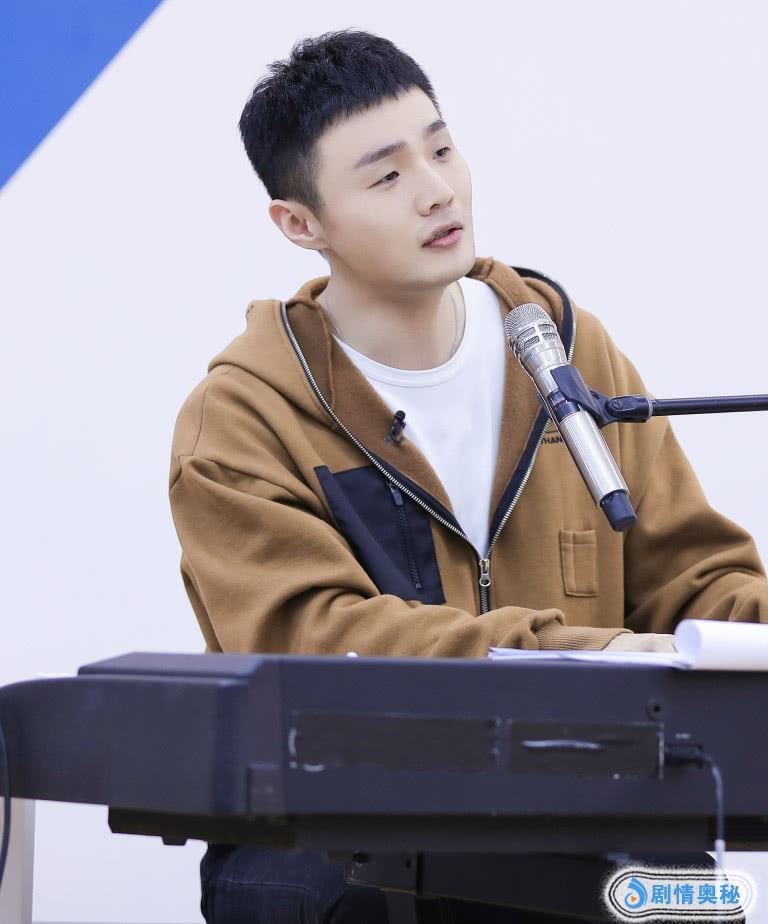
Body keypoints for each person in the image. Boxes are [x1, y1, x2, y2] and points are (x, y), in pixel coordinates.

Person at [168, 28, 763, 923]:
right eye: (385, 177)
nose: (437, 190)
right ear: (301, 224)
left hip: (579, 815)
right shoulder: (244, 416)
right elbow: (317, 641)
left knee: (684, 896)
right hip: (340, 839)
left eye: (441, 149)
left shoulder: (564, 350)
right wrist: (585, 654)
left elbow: (693, 578)